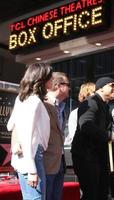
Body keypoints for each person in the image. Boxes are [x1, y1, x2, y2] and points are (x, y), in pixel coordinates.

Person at [71, 77, 114, 200]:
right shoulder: (91, 102)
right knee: (91, 194)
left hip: (98, 157)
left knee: (101, 194)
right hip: (86, 157)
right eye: (111, 85)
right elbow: (86, 126)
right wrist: (112, 136)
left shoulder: (105, 106)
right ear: (100, 88)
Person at [7, 62, 53, 200]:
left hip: (25, 157)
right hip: (32, 156)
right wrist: (32, 170)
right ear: (42, 79)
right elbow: (27, 136)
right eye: (50, 77)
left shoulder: (21, 98)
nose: (52, 80)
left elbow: (10, 125)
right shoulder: (34, 101)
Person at [43, 72, 70, 200]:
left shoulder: (62, 107)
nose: (70, 88)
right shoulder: (43, 103)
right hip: (45, 162)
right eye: (68, 85)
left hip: (59, 161)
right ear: (59, 86)